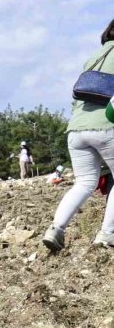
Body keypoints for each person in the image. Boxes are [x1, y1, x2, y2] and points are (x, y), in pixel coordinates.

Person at [43, 19, 114, 250]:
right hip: (107, 125)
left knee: (83, 182)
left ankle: (55, 229)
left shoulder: (93, 58)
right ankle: (106, 235)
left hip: (76, 129)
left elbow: (77, 98)